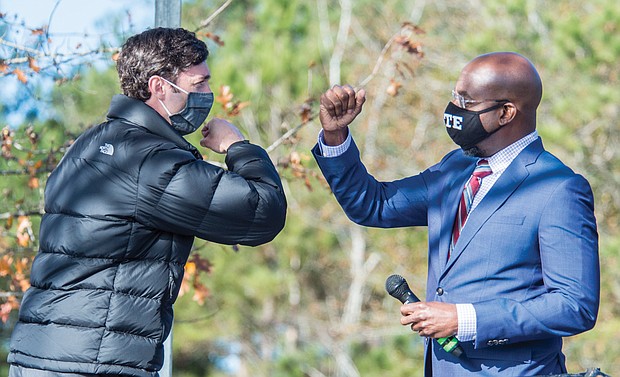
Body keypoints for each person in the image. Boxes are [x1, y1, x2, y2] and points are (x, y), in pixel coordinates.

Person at [8, 27, 287, 377]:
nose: (208, 94)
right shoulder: (149, 162)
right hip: (94, 361)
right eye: (198, 84)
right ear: (159, 87)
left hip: (37, 355)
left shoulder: (88, 144)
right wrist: (237, 146)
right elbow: (263, 211)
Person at [312, 52, 599, 376]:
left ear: (506, 113)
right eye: (454, 98)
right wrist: (335, 137)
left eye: (467, 102)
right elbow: (374, 205)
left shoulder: (558, 189)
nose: (454, 112)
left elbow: (575, 306)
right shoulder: (456, 168)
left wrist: (464, 319)